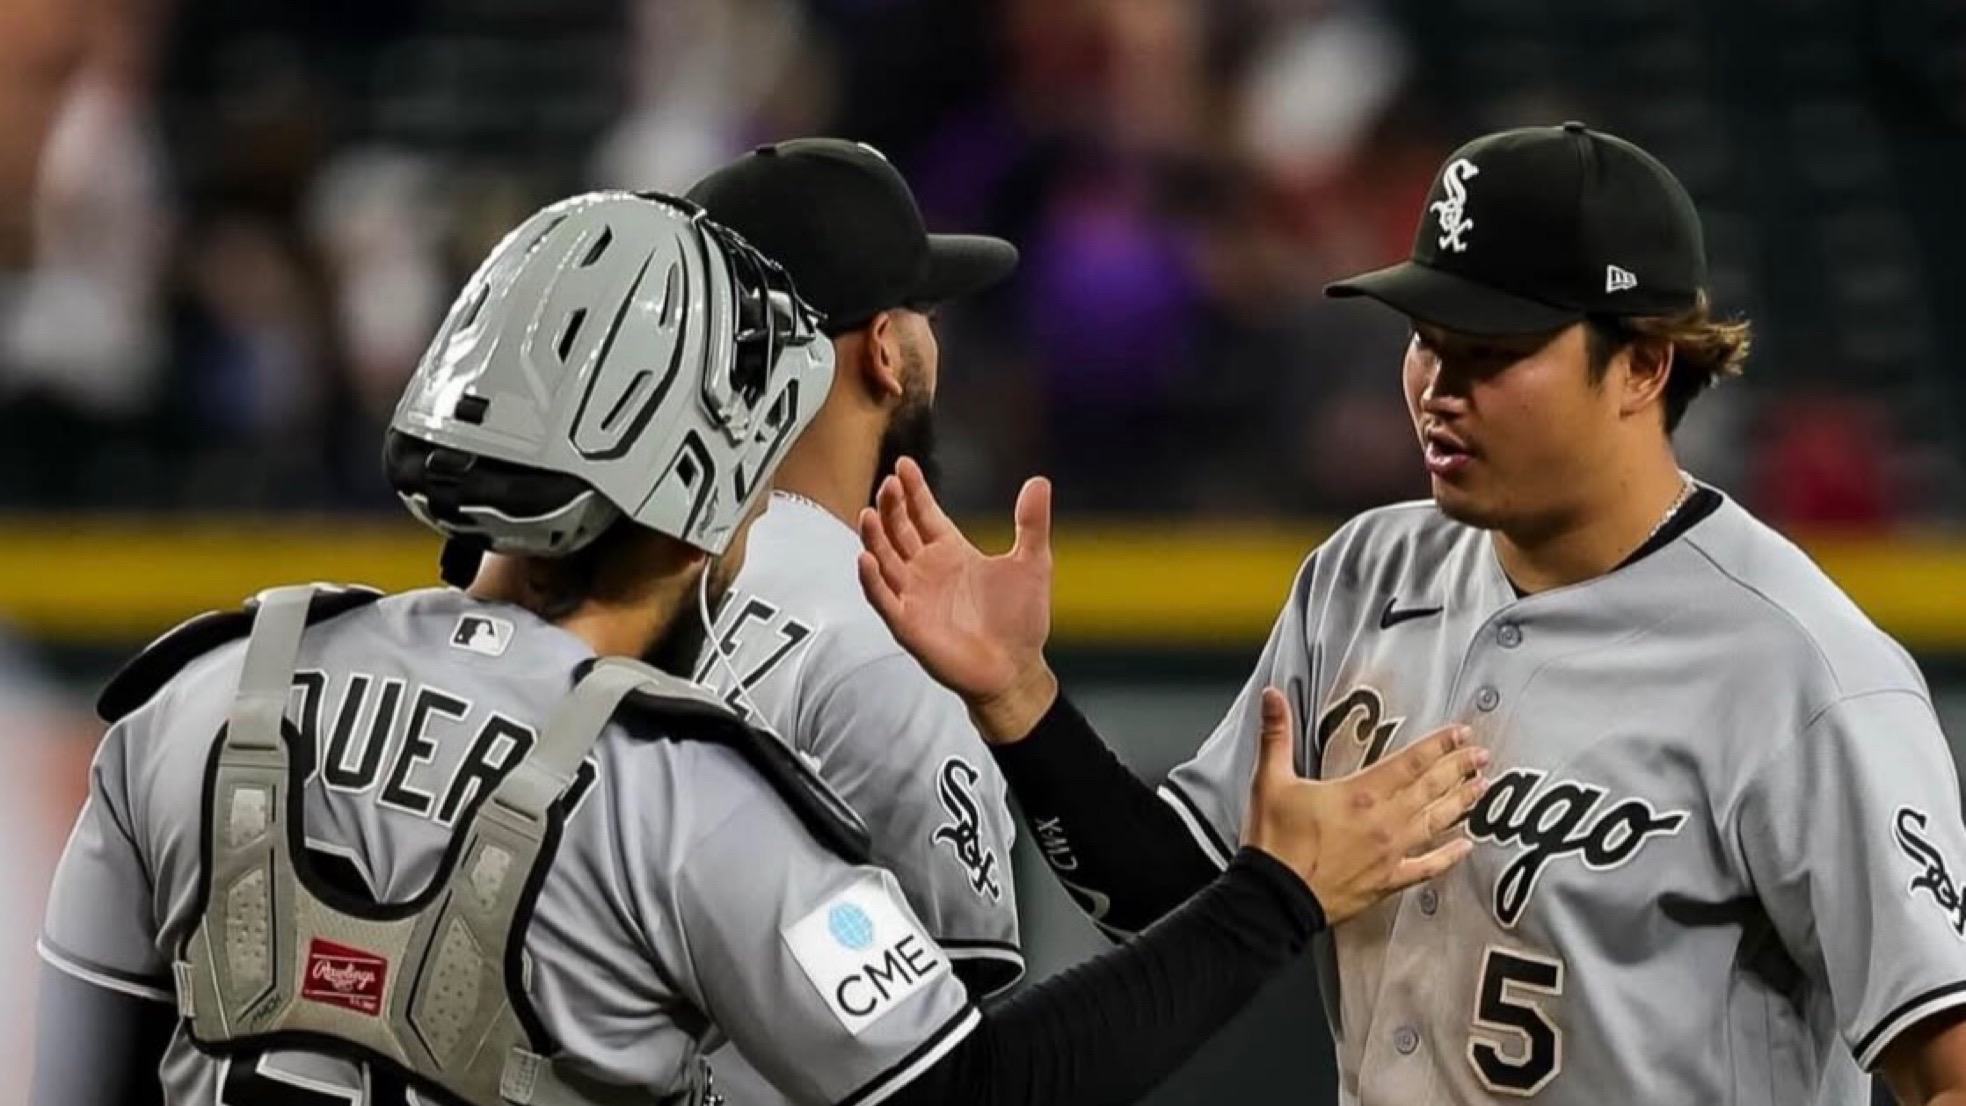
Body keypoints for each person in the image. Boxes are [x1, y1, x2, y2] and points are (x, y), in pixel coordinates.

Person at [32, 189, 1491, 1106]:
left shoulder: (204, 687)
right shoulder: (679, 791)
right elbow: (972, 1084)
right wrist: (1274, 899)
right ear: (703, 488)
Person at [858, 122, 1966, 1105]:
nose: (1438, 385)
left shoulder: (1799, 668)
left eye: (1491, 352)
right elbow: (1171, 898)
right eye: (1426, 336)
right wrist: (1020, 698)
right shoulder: (1364, 575)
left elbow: (1947, 1066)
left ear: (1640, 364)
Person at [679, 137, 1024, 1103]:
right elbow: (951, 1053)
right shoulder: (884, 633)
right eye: (922, 315)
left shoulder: (617, 589)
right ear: (882, 351)